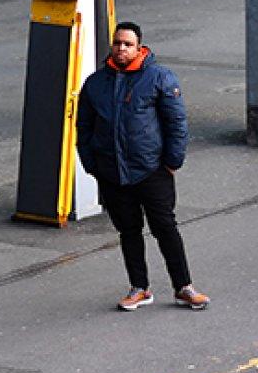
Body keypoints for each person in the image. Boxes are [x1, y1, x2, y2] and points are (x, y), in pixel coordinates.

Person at [76, 22, 210, 311]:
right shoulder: (96, 83)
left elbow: (177, 123)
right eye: (117, 43)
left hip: (152, 170)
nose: (121, 48)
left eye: (127, 44)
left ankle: (184, 287)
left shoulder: (159, 78)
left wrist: (172, 162)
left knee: (165, 227)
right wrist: (92, 164)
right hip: (112, 172)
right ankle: (140, 288)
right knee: (129, 231)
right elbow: (83, 125)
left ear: (140, 48)